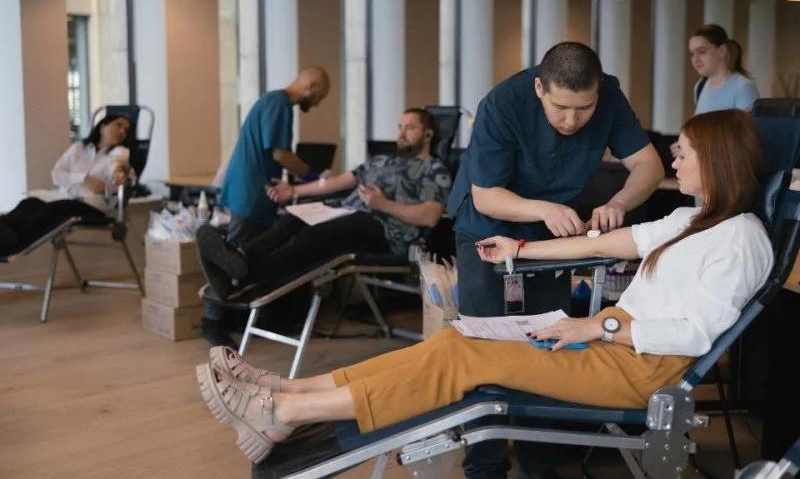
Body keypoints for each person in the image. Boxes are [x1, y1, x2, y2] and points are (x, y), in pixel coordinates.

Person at [194, 109, 773, 467]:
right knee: (455, 340)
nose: (673, 156)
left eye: (684, 151)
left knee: (465, 361)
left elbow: (695, 334)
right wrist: (521, 249)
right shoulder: (690, 219)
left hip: (638, 369)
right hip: (610, 344)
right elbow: (610, 243)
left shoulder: (741, 239)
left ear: (717, 159)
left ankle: (283, 412)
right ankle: (290, 391)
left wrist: (599, 324)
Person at [446, 41, 664, 476]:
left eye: (584, 110)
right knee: (485, 346)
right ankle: (484, 466)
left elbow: (650, 167)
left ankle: (539, 464)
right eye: (560, 108)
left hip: (552, 238)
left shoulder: (608, 96)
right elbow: (487, 196)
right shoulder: (502, 104)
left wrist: (619, 201)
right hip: (487, 227)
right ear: (539, 88)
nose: (571, 121)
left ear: (598, 92)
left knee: (549, 341)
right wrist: (543, 209)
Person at [196, 108, 451, 344]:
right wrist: (293, 191)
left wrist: (382, 204)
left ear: (428, 134)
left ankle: (247, 277)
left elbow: (430, 216)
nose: (401, 133)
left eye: (410, 128)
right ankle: (240, 260)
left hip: (386, 231)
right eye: (400, 127)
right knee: (293, 219)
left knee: (319, 234)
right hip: (346, 213)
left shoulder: (434, 169)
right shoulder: (380, 161)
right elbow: (335, 182)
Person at [219, 66, 331, 245]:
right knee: (239, 253)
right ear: (310, 86)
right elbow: (281, 155)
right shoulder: (279, 104)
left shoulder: (276, 102)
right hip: (252, 193)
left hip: (251, 192)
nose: (317, 103)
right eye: (320, 97)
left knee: (254, 251)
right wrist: (313, 178)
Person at [0, 115, 130, 256]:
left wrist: (117, 173)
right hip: (64, 196)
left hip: (92, 205)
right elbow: (57, 174)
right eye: (118, 125)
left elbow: (116, 165)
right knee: (29, 203)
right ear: (103, 127)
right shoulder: (78, 148)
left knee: (50, 211)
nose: (122, 131)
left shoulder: (120, 152)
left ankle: (12, 243)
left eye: (126, 129)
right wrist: (84, 178)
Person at [689, 24, 759, 115]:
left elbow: (746, 124)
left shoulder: (743, 87)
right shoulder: (700, 86)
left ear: (722, 50)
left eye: (702, 51)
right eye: (692, 54)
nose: (695, 59)